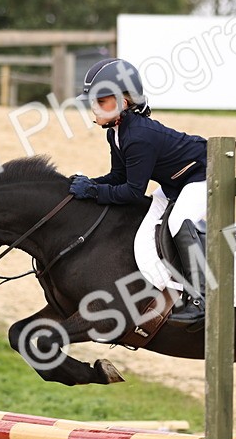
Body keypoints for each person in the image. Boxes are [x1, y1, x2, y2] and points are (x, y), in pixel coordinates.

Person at [69, 58, 209, 327]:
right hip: (175, 183)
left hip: (202, 176)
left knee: (178, 222)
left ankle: (200, 299)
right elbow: (118, 177)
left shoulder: (138, 136)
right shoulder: (116, 132)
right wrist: (89, 184)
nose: (94, 107)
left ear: (123, 102)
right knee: (148, 222)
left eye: (101, 101)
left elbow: (133, 192)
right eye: (93, 101)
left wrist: (93, 191)